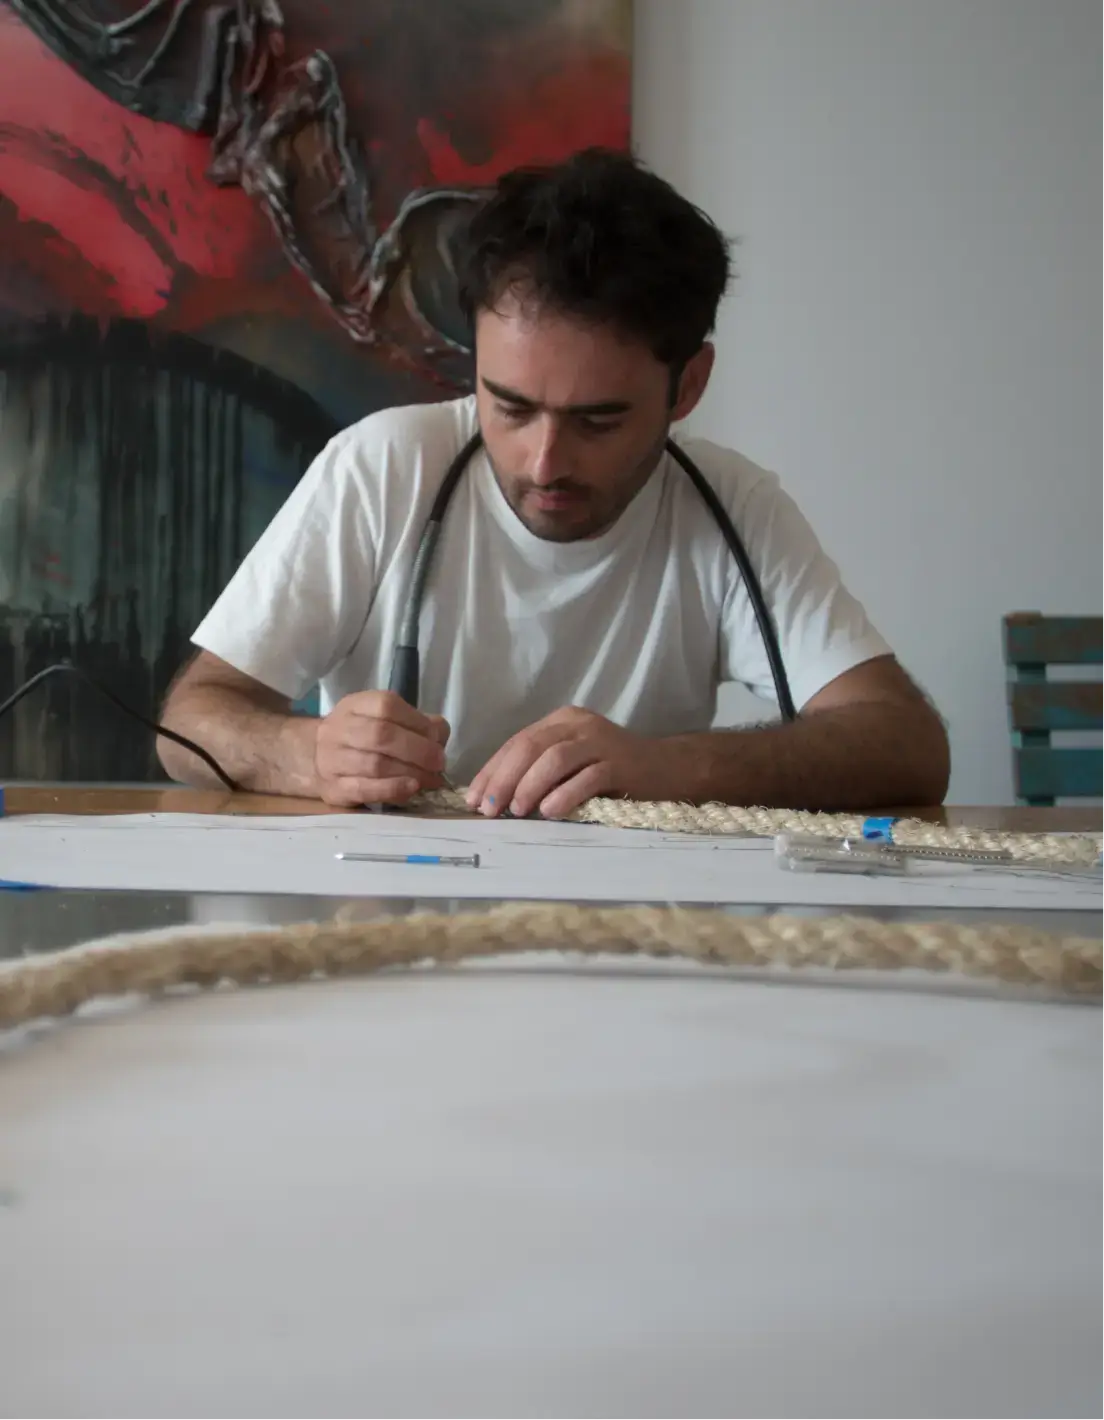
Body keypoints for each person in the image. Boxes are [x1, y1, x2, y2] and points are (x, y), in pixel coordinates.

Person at [159, 148, 950, 817]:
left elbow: (905, 744)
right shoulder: (384, 467)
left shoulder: (730, 507)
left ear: (689, 385)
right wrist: (307, 753)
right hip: (396, 939)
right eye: (508, 406)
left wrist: (672, 769)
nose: (543, 463)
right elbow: (191, 722)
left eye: (598, 421)